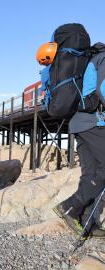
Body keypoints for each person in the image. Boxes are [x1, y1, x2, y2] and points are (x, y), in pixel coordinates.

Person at [54, 43, 105, 238]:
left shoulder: (92, 57)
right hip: (92, 122)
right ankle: (71, 206)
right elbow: (103, 89)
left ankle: (86, 221)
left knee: (91, 172)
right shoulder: (103, 57)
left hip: (78, 123)